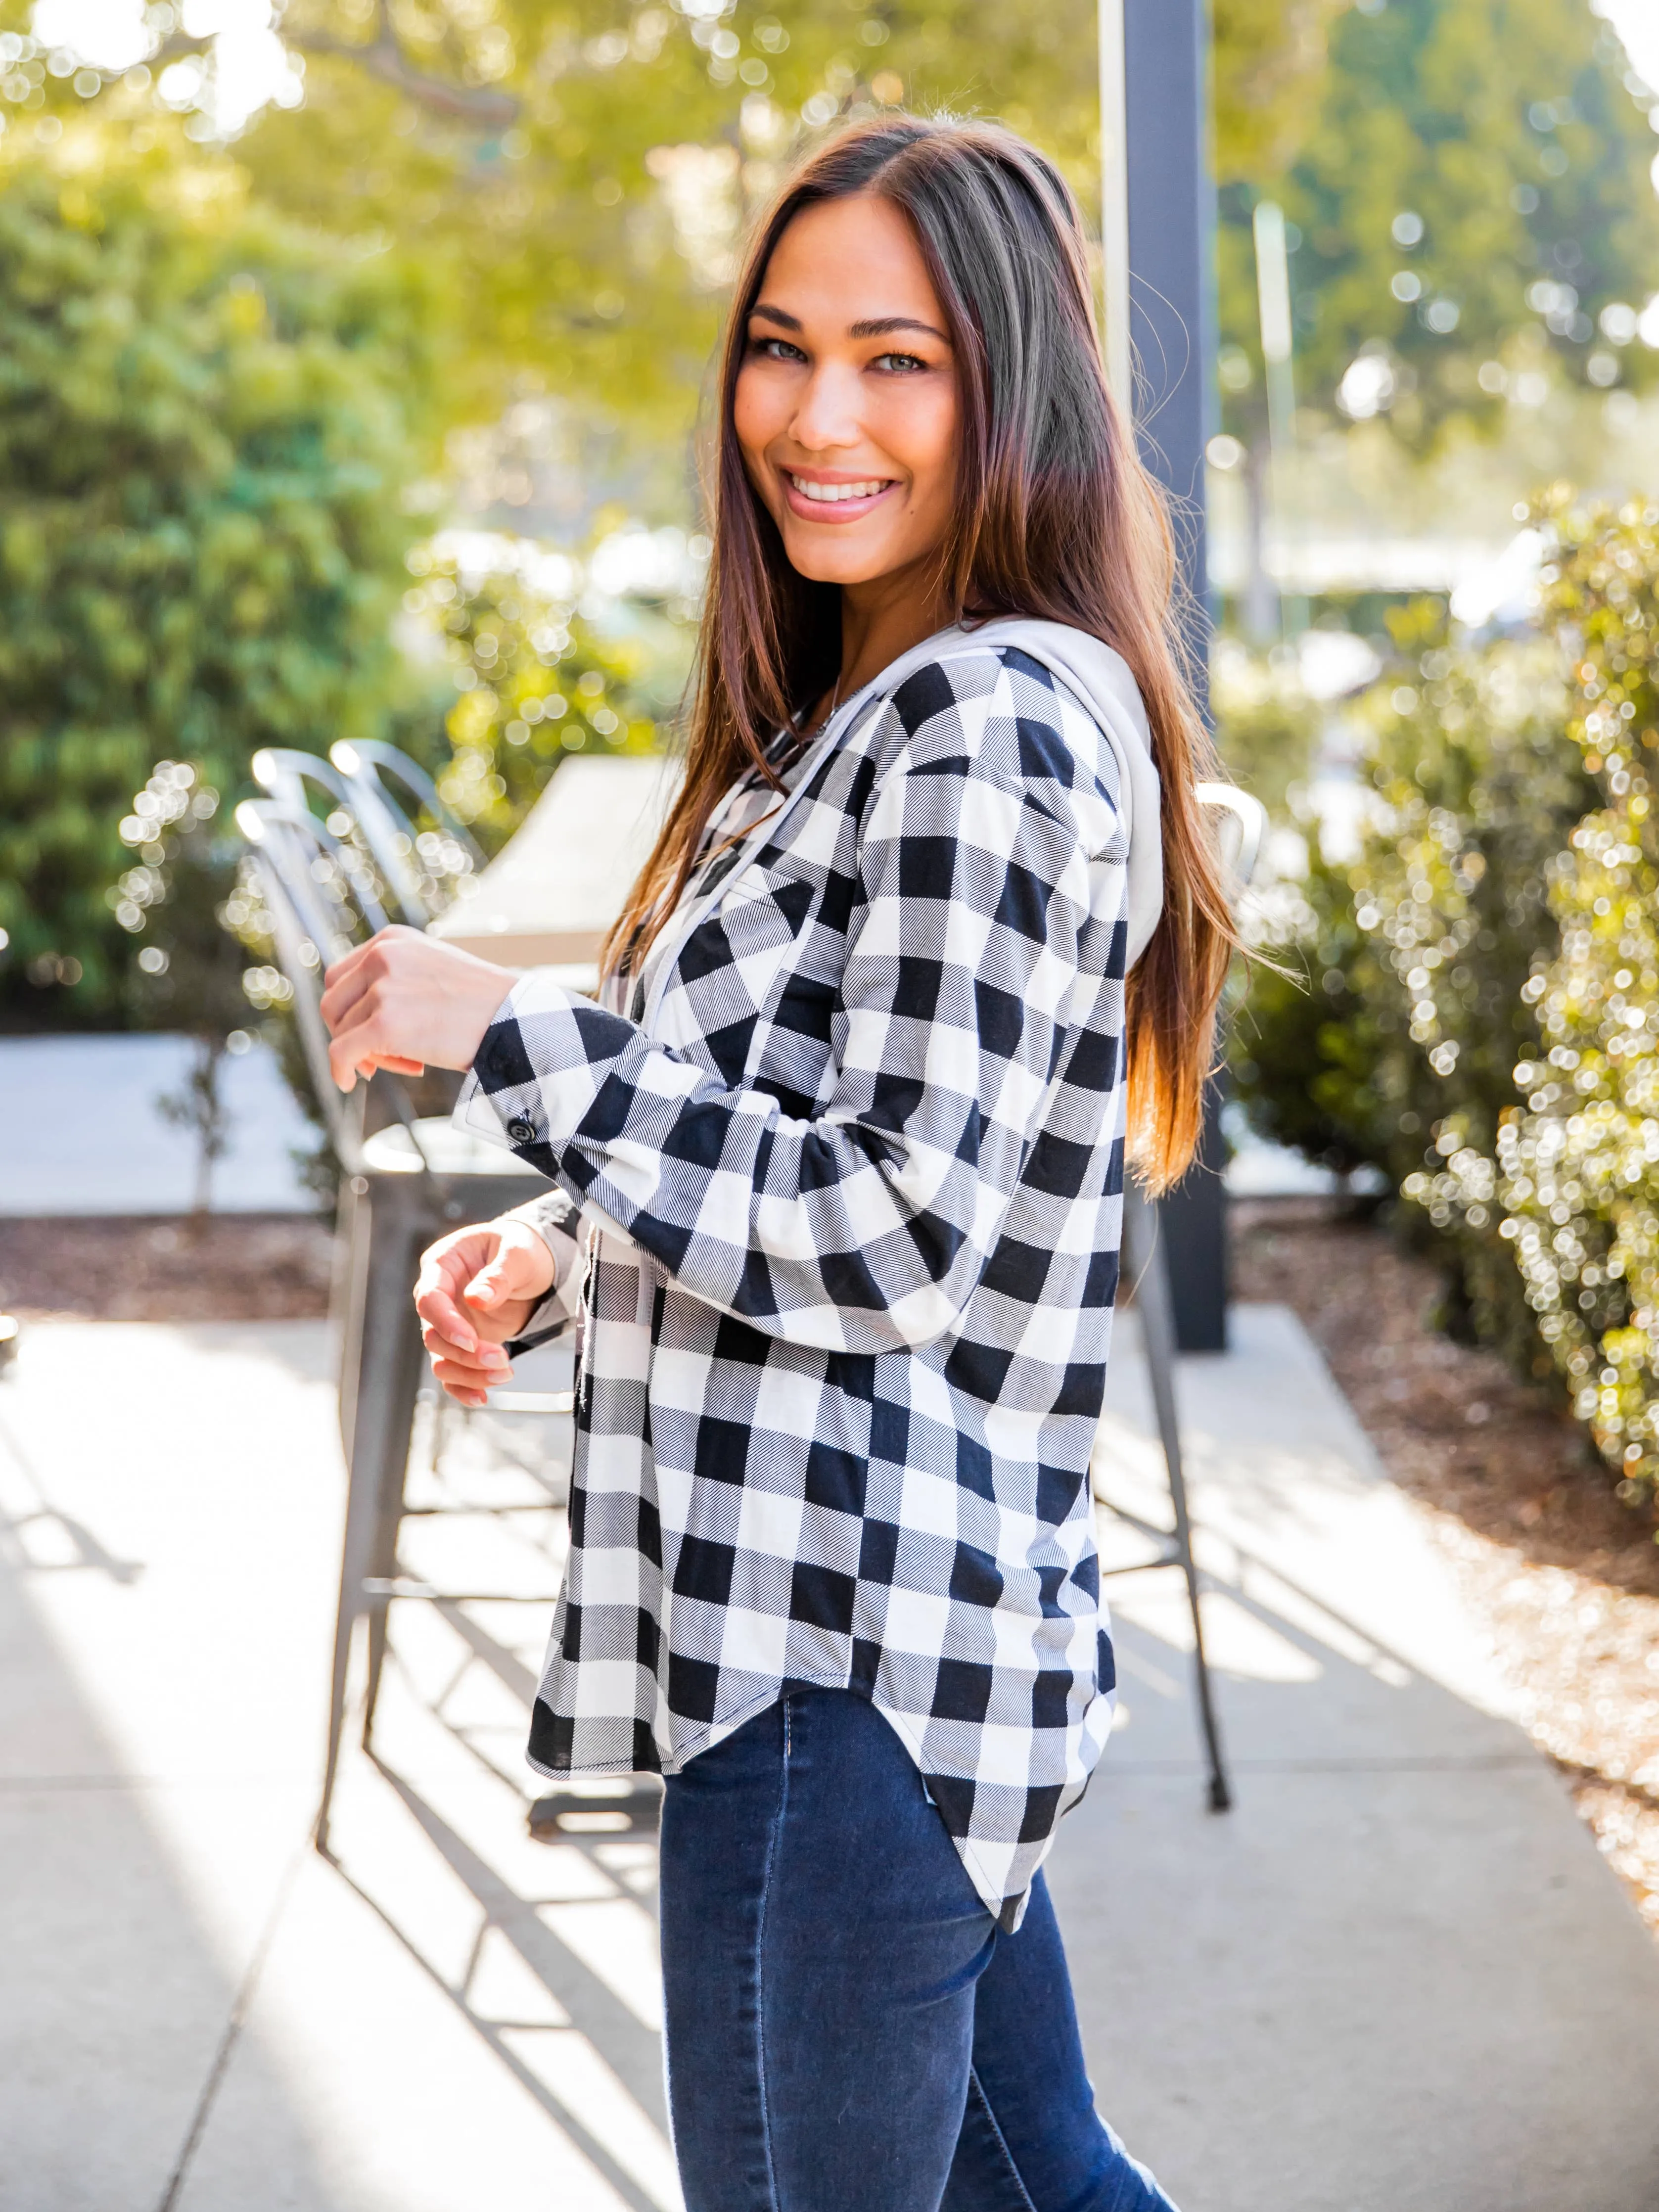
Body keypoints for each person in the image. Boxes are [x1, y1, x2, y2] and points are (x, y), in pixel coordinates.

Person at [320, 112, 1232, 2212]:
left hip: (837, 1663)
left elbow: (892, 1225)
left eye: (897, 358)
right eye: (781, 344)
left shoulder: (986, 722)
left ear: (1013, 382)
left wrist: (511, 1028)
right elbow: (817, 1098)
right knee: (1051, 2181)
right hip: (893, 1662)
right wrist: (563, 1233)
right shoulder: (893, 692)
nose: (818, 416)